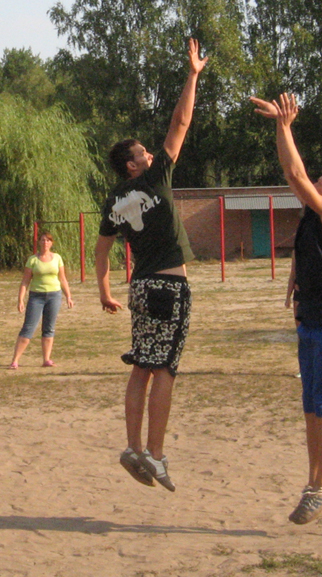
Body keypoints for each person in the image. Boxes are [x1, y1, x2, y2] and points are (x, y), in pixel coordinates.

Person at [95, 37, 206, 492]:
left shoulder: (113, 200)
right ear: (132, 164)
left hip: (139, 289)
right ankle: (156, 456)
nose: (150, 154)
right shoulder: (156, 178)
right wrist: (192, 75)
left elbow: (101, 250)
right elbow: (181, 121)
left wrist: (105, 292)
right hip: (169, 288)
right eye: (142, 152)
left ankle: (132, 446)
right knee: (165, 370)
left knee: (141, 365)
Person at [251, 92, 322, 525]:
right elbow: (293, 173)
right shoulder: (313, 218)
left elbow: (295, 173)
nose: (311, 181)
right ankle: (314, 483)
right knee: (313, 408)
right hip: (311, 321)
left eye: (320, 180)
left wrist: (284, 125)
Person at [10, 230, 74, 369]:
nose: (45, 242)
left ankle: (46, 359)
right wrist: (20, 300)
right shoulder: (32, 260)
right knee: (28, 328)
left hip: (54, 296)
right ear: (39, 242)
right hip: (36, 297)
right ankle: (15, 360)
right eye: (43, 240)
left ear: (51, 243)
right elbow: (25, 281)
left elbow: (62, 279)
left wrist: (68, 296)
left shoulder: (57, 258)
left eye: (48, 240)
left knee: (49, 328)